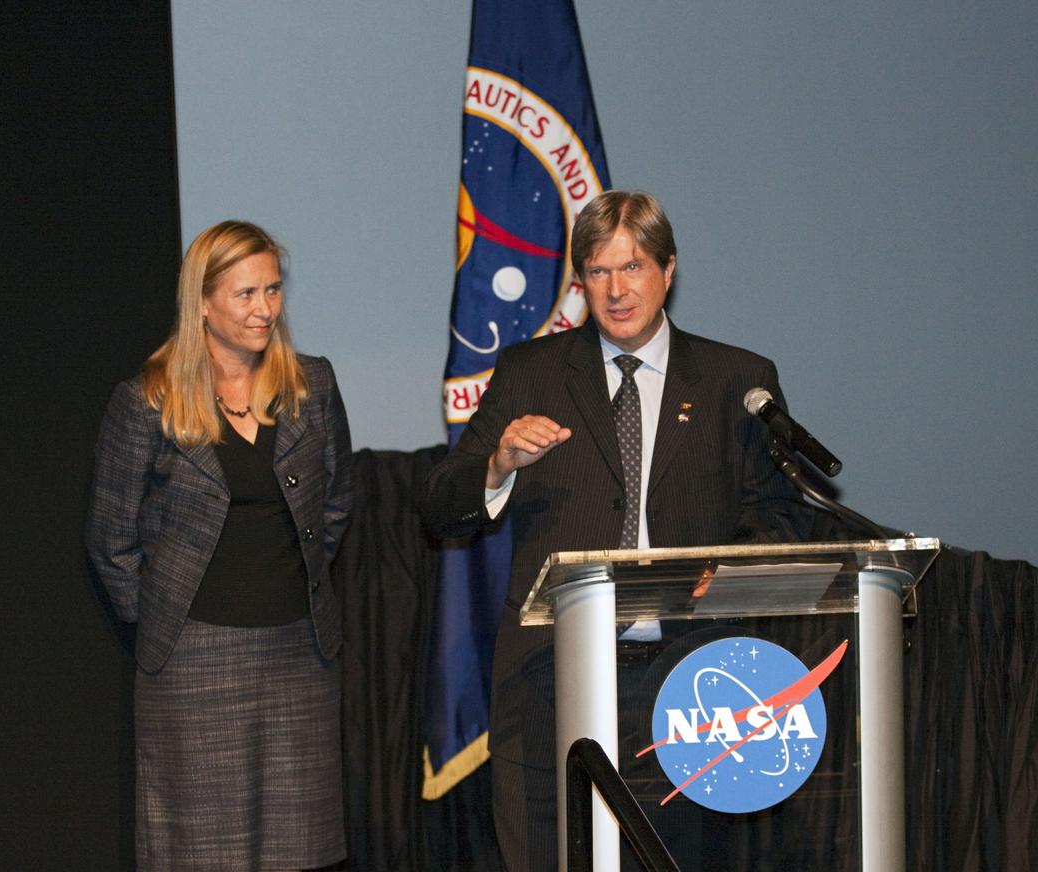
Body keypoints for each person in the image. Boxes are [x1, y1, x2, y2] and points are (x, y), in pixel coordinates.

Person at [420, 190, 812, 870]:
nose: (616, 289)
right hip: (549, 675)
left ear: (668, 270)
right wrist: (498, 462)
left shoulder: (736, 380)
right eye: (597, 272)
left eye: (632, 268)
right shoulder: (530, 372)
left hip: (689, 684)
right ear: (580, 283)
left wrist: (714, 582)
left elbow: (779, 516)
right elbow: (437, 506)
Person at [86, 220, 352, 871]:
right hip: (194, 665)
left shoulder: (311, 387)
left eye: (273, 289)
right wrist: (164, 625)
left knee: (300, 851)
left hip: (298, 657)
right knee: (203, 853)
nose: (264, 308)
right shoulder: (146, 402)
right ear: (202, 302)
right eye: (245, 294)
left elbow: (338, 504)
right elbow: (111, 541)